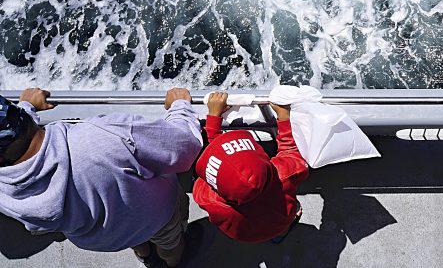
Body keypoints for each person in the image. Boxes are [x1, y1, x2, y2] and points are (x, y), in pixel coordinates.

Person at [0, 87, 203, 268]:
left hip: (106, 238)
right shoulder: (102, 135)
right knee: (170, 244)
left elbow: (18, 148)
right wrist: (180, 106)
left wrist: (25, 109)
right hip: (157, 217)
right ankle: (173, 262)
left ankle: (146, 257)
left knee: (135, 241)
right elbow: (185, 147)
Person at [192, 92, 309, 243]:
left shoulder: (207, 198)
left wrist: (214, 118)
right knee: (281, 225)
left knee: (264, 230)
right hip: (280, 220)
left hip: (246, 234)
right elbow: (290, 152)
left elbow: (219, 162)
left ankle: (274, 234)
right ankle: (281, 232)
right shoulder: (283, 175)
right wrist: (284, 117)